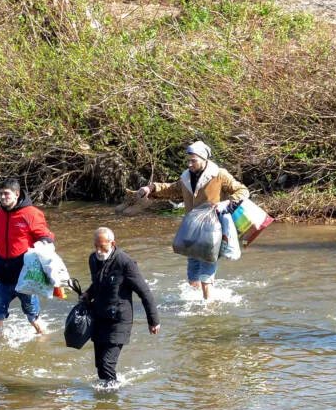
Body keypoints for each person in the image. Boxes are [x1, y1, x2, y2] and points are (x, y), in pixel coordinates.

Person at [137, 141, 249, 299]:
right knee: (192, 271)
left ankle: (208, 306)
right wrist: (151, 188)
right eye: (188, 160)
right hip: (192, 227)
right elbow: (173, 189)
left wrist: (227, 203)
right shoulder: (186, 177)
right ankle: (197, 298)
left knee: (206, 265)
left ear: (204, 159)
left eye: (193, 160)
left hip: (212, 227)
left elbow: (242, 191)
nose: (189, 164)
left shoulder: (219, 174)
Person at [0, 178, 55, 338]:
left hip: (25, 278)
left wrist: (45, 242)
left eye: (6, 194)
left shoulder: (31, 213)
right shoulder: (0, 214)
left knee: (33, 317)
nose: (3, 197)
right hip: (3, 277)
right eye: (1, 194)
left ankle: (43, 340)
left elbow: (45, 236)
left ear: (17, 194)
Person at [84, 227, 159, 384]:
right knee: (100, 365)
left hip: (119, 320)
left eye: (102, 246)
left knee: (107, 364)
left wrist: (153, 320)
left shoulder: (125, 262)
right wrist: (87, 295)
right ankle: (105, 396)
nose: (98, 250)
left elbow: (144, 292)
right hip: (99, 317)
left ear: (112, 243)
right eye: (95, 246)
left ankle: (111, 400)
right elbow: (97, 284)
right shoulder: (93, 259)